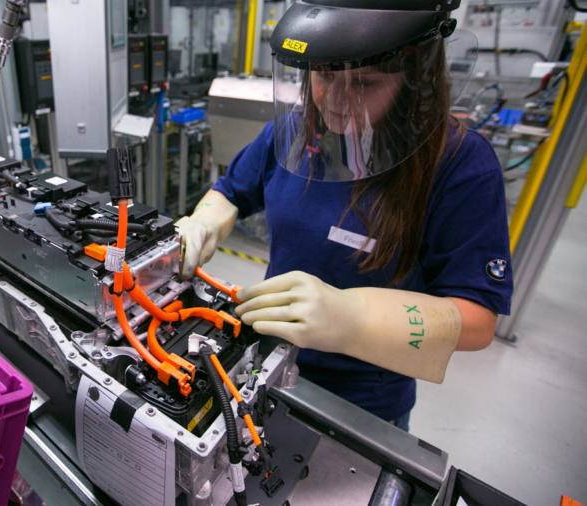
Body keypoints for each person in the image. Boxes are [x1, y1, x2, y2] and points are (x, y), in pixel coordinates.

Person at [177, 0, 513, 431]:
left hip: (361, 403)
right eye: (324, 75)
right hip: (265, 365)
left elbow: (478, 321)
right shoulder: (294, 131)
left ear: (416, 79)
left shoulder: (461, 164)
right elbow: (231, 191)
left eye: (364, 83)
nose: (334, 100)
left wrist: (352, 318)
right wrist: (202, 222)